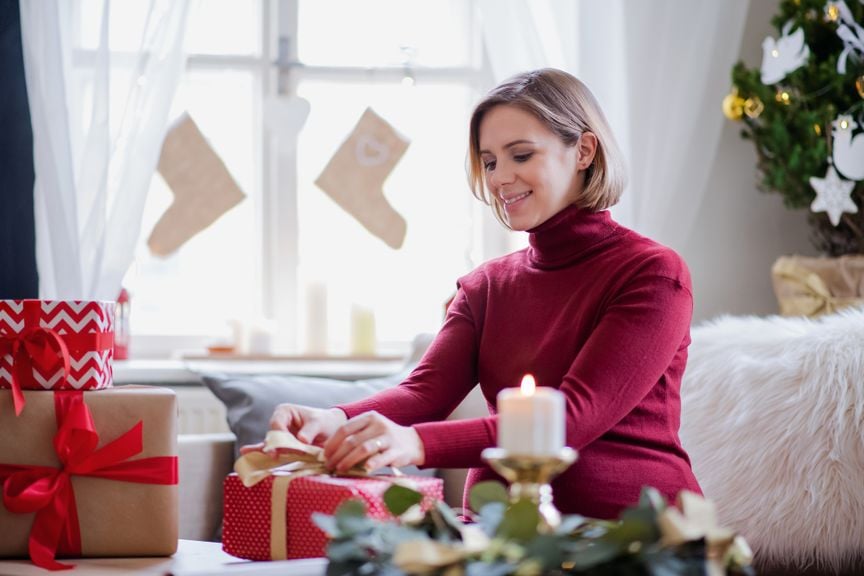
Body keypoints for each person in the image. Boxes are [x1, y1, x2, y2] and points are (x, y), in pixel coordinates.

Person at [252, 68, 702, 519]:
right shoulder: (486, 286)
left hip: (631, 536)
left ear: (583, 150)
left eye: (521, 155)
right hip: (493, 533)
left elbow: (572, 420)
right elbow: (424, 394)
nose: (501, 178)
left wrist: (416, 443)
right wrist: (335, 419)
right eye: (489, 162)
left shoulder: (652, 274)